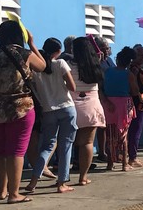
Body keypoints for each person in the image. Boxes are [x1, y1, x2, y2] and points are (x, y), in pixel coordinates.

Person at [0, 20, 46, 203]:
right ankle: (14, 193)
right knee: (16, 151)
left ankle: (2, 190)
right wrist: (32, 43)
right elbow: (43, 66)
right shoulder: (25, 54)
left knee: (0, 150)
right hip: (20, 107)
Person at [26, 37, 77, 193]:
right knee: (66, 146)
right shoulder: (61, 63)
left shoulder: (36, 70)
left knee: (47, 146)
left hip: (48, 110)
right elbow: (72, 87)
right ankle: (62, 183)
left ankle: (33, 181)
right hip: (66, 107)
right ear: (58, 51)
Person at [69, 37, 109, 183]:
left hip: (72, 106)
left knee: (69, 142)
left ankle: (63, 176)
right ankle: (83, 177)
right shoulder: (96, 66)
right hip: (91, 106)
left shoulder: (67, 65)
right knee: (87, 143)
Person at [103, 47, 136, 171]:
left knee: (110, 134)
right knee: (123, 134)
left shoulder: (107, 72)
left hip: (109, 103)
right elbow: (135, 91)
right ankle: (124, 164)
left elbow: (102, 87)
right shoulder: (129, 74)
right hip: (124, 104)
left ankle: (110, 163)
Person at [126, 45, 143, 166]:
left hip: (139, 102)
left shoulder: (137, 69)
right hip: (137, 102)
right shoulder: (134, 69)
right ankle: (132, 157)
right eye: (141, 55)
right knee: (135, 130)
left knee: (134, 130)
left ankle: (131, 155)